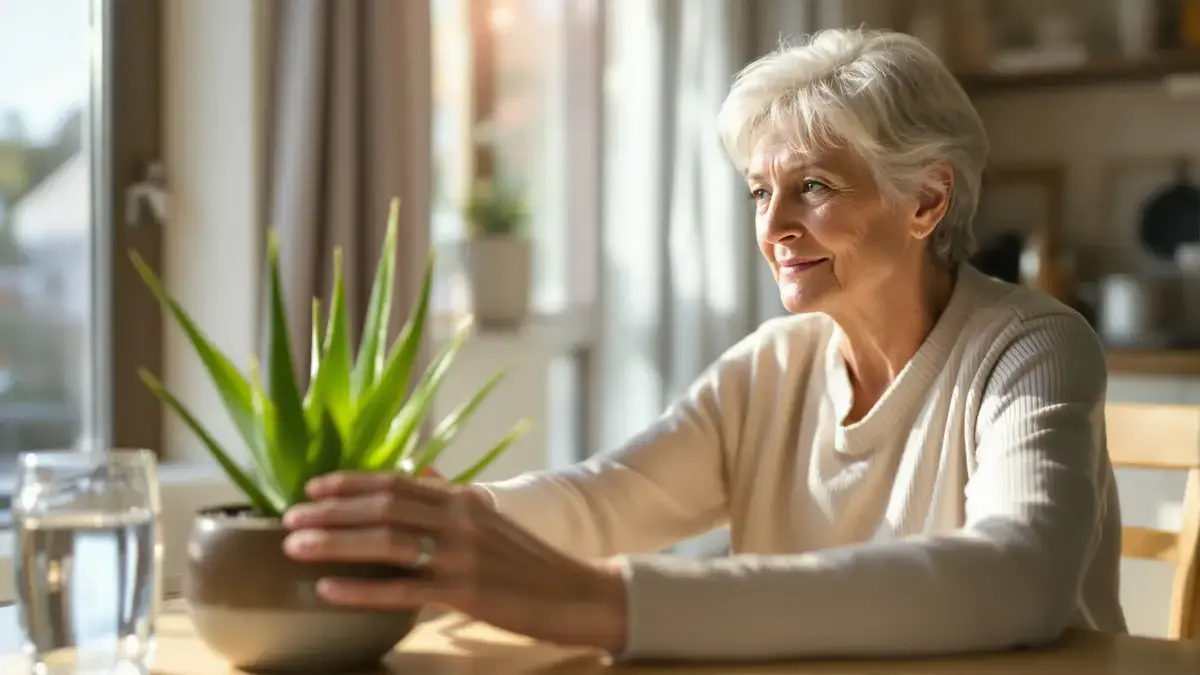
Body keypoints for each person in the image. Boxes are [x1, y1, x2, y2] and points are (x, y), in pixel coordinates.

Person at [279, 27, 1127, 662]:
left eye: (814, 187)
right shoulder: (773, 364)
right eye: (762, 191)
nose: (775, 226)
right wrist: (455, 516)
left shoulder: (1034, 348)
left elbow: (1018, 577)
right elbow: (606, 501)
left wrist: (614, 602)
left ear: (925, 202)